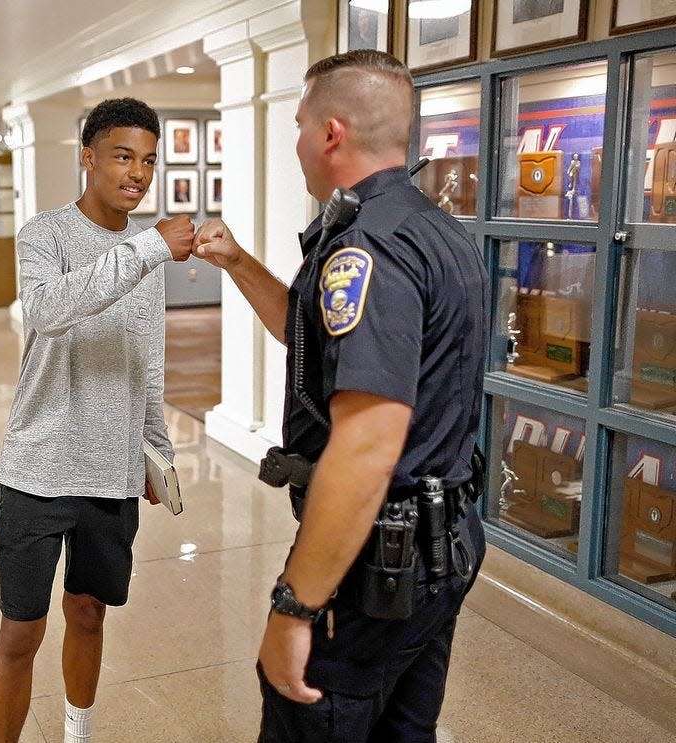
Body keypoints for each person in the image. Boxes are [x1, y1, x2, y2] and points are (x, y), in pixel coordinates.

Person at [193, 50, 488, 742]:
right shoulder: (433, 229)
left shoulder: (369, 250)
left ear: (331, 133)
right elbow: (317, 340)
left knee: (314, 717)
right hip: (444, 545)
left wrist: (295, 606)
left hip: (378, 565)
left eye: (299, 124)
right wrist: (236, 260)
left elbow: (366, 446)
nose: (296, 139)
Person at [0, 97, 194, 743]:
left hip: (109, 471)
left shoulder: (147, 255)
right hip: (37, 467)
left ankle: (79, 731)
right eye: (123, 156)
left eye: (149, 161)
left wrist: (157, 451)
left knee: (90, 611)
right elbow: (49, 309)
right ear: (88, 157)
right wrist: (147, 248)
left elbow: (147, 360)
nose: (137, 173)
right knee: (21, 629)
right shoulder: (44, 235)